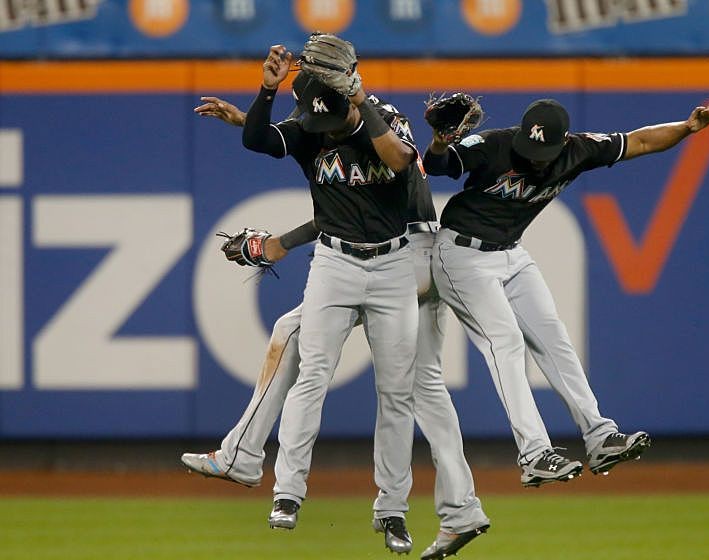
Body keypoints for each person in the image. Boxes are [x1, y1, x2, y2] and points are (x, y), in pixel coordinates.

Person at [181, 39, 489, 559]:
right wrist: (264, 94)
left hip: (407, 256)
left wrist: (359, 97)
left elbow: (391, 168)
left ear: (345, 96)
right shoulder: (312, 122)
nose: (315, 125)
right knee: (341, 373)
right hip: (344, 261)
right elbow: (279, 151)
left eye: (324, 110)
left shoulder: (381, 121)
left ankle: (403, 506)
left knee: (406, 390)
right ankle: (284, 487)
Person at [423, 97, 709, 482]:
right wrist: (439, 141)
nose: (533, 158)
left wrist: (686, 128)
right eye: (528, 149)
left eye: (542, 151)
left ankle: (599, 436)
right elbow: (438, 166)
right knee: (505, 343)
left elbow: (642, 142)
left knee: (554, 338)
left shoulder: (580, 149)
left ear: (563, 142)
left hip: (511, 253)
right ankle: (534, 454)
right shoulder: (495, 144)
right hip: (460, 254)